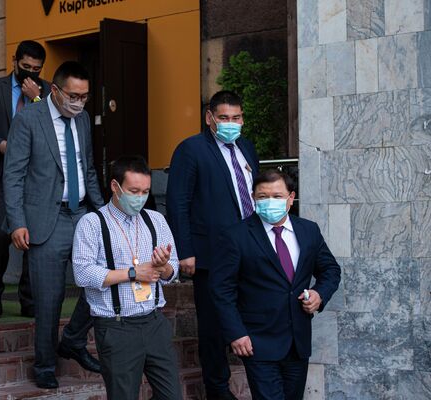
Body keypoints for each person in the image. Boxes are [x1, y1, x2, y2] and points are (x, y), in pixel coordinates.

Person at [3, 61, 104, 389]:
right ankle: (45, 365)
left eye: (85, 97)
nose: (79, 102)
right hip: (46, 219)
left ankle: (73, 338)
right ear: (56, 90)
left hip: (83, 215)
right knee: (49, 298)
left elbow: (88, 168)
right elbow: (13, 174)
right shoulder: (28, 119)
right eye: (73, 96)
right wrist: (17, 222)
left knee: (104, 278)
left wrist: (105, 214)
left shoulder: (83, 119)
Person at [209, 169, 341, 400]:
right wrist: (236, 333)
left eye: (277, 196)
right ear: (253, 198)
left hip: (297, 341)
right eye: (263, 196)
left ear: (291, 198)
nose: (270, 202)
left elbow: (330, 270)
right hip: (256, 341)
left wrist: (319, 295)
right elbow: (221, 289)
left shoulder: (308, 230)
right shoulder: (236, 236)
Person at [166, 90, 259, 399]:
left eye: (236, 117)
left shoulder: (246, 147)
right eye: (224, 118)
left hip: (249, 248)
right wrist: (185, 251)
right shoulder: (191, 149)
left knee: (251, 315)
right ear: (209, 118)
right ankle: (217, 390)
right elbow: (178, 203)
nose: (231, 123)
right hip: (210, 253)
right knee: (213, 324)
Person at [72, 155, 181, 400]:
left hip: (155, 322)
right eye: (133, 191)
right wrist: (133, 273)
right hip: (116, 326)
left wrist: (163, 267)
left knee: (172, 395)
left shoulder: (156, 220)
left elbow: (173, 269)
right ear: (115, 186)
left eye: (145, 191)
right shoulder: (92, 223)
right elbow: (83, 273)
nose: (140, 197)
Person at [0, 40, 50, 318]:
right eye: (25, 66)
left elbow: (54, 128)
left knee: (34, 238)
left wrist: (36, 98)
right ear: (15, 60)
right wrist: (2, 145)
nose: (30, 72)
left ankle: (29, 298)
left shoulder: (48, 92)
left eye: (36, 69)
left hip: (35, 178)